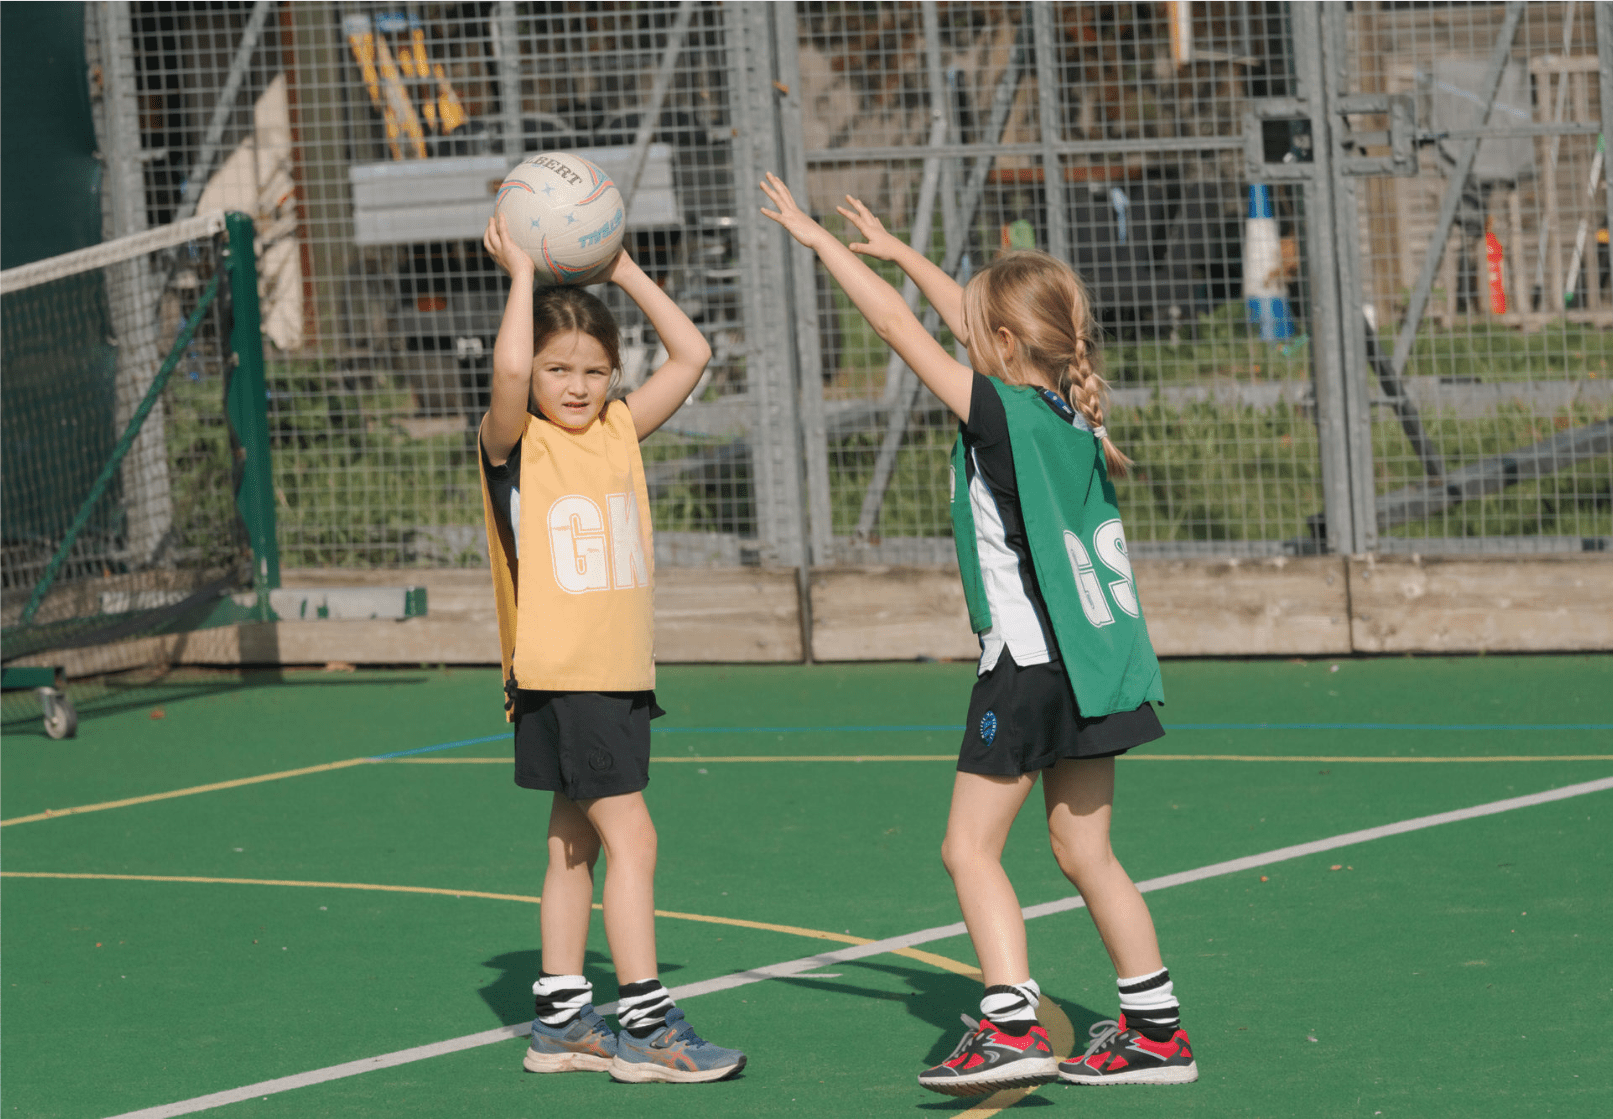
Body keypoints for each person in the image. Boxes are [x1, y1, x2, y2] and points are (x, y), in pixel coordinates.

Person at [759, 175, 1196, 1096]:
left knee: (969, 850)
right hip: (1102, 667)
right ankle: (1156, 1027)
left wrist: (821, 245)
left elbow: (899, 331)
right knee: (1087, 853)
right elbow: (967, 321)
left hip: (1031, 666)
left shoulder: (995, 416)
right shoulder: (1069, 412)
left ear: (1000, 346)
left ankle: (1007, 1021)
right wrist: (901, 252)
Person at [478, 212, 745, 1084]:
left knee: (573, 843)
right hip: (566, 673)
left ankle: (559, 1020)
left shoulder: (622, 430)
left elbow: (694, 354)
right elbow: (512, 366)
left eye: (595, 370)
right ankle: (646, 1021)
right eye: (561, 370)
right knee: (635, 839)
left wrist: (623, 268)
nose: (577, 384)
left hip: (616, 674)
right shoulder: (516, 444)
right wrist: (524, 271)